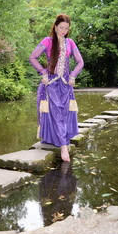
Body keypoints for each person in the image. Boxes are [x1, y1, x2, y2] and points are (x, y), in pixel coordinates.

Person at [29, 14, 84, 161]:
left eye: (66, 28)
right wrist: (43, 72)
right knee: (56, 113)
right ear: (55, 27)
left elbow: (80, 62)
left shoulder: (70, 43)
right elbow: (32, 57)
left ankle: (54, 139)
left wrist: (72, 76)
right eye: (61, 27)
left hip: (65, 85)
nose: (64, 30)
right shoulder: (47, 41)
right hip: (51, 84)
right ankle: (63, 147)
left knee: (64, 114)